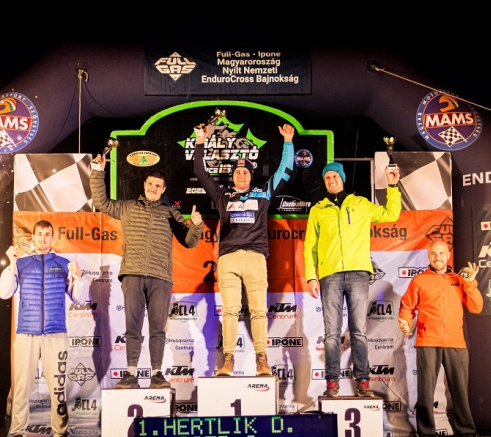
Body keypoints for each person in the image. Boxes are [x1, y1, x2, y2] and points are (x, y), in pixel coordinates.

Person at [90, 156, 203, 389]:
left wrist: (196, 225)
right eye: (150, 184)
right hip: (132, 274)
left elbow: (190, 242)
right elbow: (101, 202)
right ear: (144, 185)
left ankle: (157, 375)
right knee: (132, 327)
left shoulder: (171, 212)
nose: (153, 188)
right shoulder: (128, 207)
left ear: (163, 190)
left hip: (160, 278)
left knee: (157, 329)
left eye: (158, 186)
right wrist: (97, 172)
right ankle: (130, 374)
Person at [194, 122, 296, 376]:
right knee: (230, 311)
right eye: (238, 172)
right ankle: (228, 359)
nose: (241, 175)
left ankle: (262, 359)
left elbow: (285, 171)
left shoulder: (263, 192)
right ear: (233, 176)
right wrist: (200, 142)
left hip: (256, 258)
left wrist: (288, 143)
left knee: (259, 311)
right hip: (228, 259)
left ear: (251, 176)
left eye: (245, 172)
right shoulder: (222, 195)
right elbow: (201, 172)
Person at [303, 162, 401, 397]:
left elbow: (391, 214)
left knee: (358, 331)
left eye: (335, 175)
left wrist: (392, 186)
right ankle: (332, 384)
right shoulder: (318, 210)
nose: (331, 180)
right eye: (327, 177)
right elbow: (310, 247)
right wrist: (311, 276)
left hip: (358, 274)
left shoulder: (360, 204)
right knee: (331, 333)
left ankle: (363, 383)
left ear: (342, 178)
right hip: (330, 275)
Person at [0, 220, 90, 437]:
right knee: (21, 387)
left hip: (56, 334)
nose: (43, 238)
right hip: (26, 334)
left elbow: (79, 299)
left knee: (58, 388)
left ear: (52, 238)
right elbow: (3, 293)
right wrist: (11, 265)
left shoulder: (63, 263)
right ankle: (18, 436)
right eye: (39, 234)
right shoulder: (21, 263)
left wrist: (80, 277)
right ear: (33, 236)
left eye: (47, 234)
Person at [398, 239, 483, 437]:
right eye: (433, 253)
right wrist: (405, 321)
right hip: (428, 341)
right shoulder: (419, 281)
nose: (438, 257)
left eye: (441, 253)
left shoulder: (459, 280)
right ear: (429, 256)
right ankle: (426, 435)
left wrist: (470, 283)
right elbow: (407, 306)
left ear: (448, 255)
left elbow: (476, 307)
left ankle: (467, 435)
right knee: (425, 391)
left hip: (456, 342)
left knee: (460, 391)